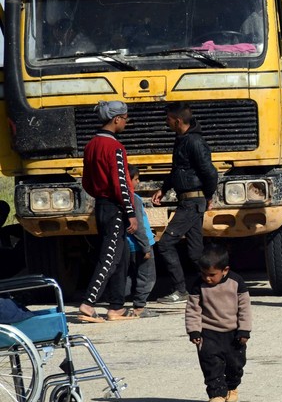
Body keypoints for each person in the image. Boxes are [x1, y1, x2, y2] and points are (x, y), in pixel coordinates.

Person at [78, 100, 139, 323]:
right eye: (124, 119)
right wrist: (130, 212)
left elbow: (87, 182)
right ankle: (88, 304)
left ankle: (117, 307)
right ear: (116, 119)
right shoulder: (115, 147)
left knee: (121, 257)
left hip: (101, 205)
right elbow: (120, 183)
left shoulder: (91, 145)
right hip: (115, 207)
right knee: (110, 258)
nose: (125, 123)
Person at [153, 102, 219, 304]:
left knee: (165, 244)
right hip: (188, 201)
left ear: (178, 121)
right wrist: (163, 189)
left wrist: (208, 196)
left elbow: (210, 172)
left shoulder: (194, 142)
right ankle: (215, 288)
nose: (167, 123)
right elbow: (177, 170)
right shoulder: (181, 139)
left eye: (168, 119)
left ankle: (180, 290)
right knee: (195, 251)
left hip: (192, 202)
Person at [186, 244, 252, 402]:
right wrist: (194, 330)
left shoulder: (236, 282)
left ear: (225, 270)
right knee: (210, 365)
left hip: (233, 333)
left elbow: (244, 308)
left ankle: (232, 386)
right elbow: (193, 310)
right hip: (208, 332)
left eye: (211, 275)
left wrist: (244, 330)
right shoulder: (198, 285)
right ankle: (216, 394)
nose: (207, 278)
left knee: (235, 365)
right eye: (203, 274)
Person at [125, 166, 158, 318]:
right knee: (147, 276)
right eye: (136, 179)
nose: (138, 182)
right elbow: (138, 225)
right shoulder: (134, 198)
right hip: (141, 245)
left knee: (130, 275)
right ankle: (139, 307)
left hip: (129, 246)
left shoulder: (121, 198)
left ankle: (120, 302)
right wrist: (146, 247)